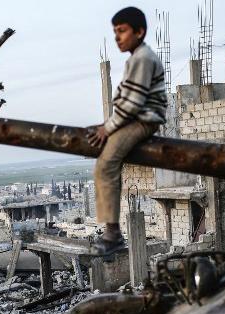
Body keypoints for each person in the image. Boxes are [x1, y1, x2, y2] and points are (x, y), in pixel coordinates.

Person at [87, 6, 167, 256]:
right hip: (135, 119)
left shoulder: (142, 58)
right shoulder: (137, 58)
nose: (117, 37)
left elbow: (132, 104)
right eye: (115, 32)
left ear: (139, 32)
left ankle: (112, 233)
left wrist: (108, 128)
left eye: (122, 31)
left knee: (106, 163)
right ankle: (111, 228)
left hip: (141, 121)